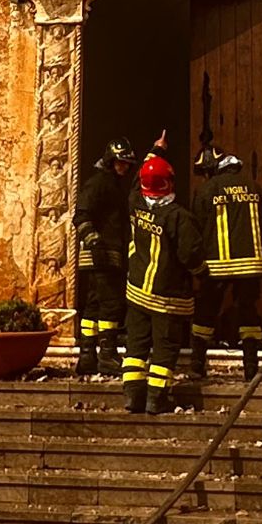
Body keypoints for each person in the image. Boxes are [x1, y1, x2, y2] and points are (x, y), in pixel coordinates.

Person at [123, 142, 204, 415]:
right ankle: (156, 398)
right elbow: (190, 254)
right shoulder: (179, 217)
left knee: (135, 345)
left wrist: (154, 152)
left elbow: (137, 183)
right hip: (167, 297)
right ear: (169, 183)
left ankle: (133, 397)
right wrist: (202, 274)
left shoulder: (135, 204)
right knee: (164, 349)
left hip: (136, 291)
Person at [191, 152, 262, 381]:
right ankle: (250, 367)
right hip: (250, 265)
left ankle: (197, 365)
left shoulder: (208, 190)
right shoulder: (253, 187)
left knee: (205, 313)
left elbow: (195, 223)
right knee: (248, 314)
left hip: (217, 265)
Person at [71, 135, 136, 376]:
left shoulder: (111, 183)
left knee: (93, 305)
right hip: (101, 254)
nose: (125, 167)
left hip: (104, 254)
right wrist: (94, 240)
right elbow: (81, 215)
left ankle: (88, 355)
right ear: (110, 160)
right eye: (121, 162)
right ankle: (107, 355)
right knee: (110, 304)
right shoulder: (99, 183)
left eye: (127, 164)